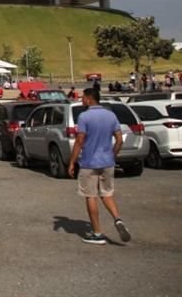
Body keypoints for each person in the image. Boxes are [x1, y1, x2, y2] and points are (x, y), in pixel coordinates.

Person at [67, 87, 131, 245]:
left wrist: (72, 161)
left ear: (89, 99)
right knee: (107, 194)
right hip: (107, 161)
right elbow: (119, 139)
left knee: (91, 196)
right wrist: (113, 154)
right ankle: (118, 219)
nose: (82, 100)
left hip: (89, 162)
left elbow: (80, 141)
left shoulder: (84, 116)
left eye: (83, 98)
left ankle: (97, 233)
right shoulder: (111, 115)